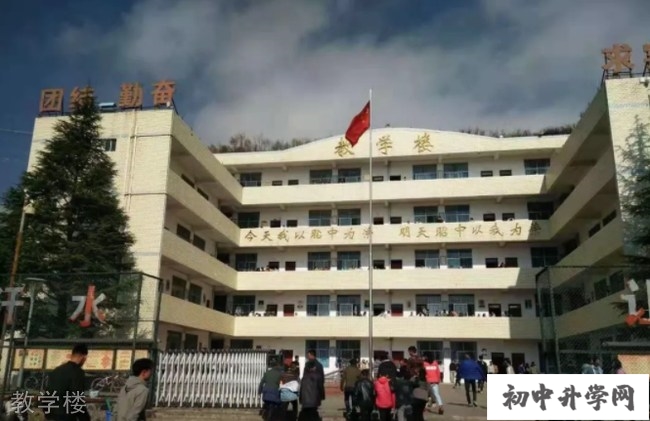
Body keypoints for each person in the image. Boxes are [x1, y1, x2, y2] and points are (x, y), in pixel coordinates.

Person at [46, 344, 91, 421]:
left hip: (52, 414)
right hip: (67, 416)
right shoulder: (78, 372)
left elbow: (48, 392)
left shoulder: (56, 370)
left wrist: (47, 414)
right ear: (83, 357)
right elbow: (77, 398)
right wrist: (85, 418)